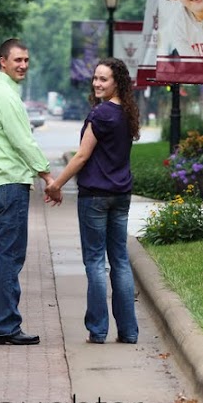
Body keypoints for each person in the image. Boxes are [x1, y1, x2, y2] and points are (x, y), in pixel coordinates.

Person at [44, 58, 140, 345]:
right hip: (121, 195)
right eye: (95, 78)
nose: (97, 83)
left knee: (96, 263)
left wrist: (55, 184)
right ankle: (129, 331)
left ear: (117, 82)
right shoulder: (127, 112)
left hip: (96, 197)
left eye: (104, 79)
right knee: (120, 261)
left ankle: (98, 331)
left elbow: (82, 156)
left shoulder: (100, 115)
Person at [0, 38, 57, 346]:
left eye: (26, 60)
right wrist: (48, 176)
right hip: (8, 185)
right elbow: (24, 142)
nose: (23, 65)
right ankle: (6, 325)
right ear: (2, 62)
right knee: (8, 257)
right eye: (17, 60)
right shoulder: (6, 96)